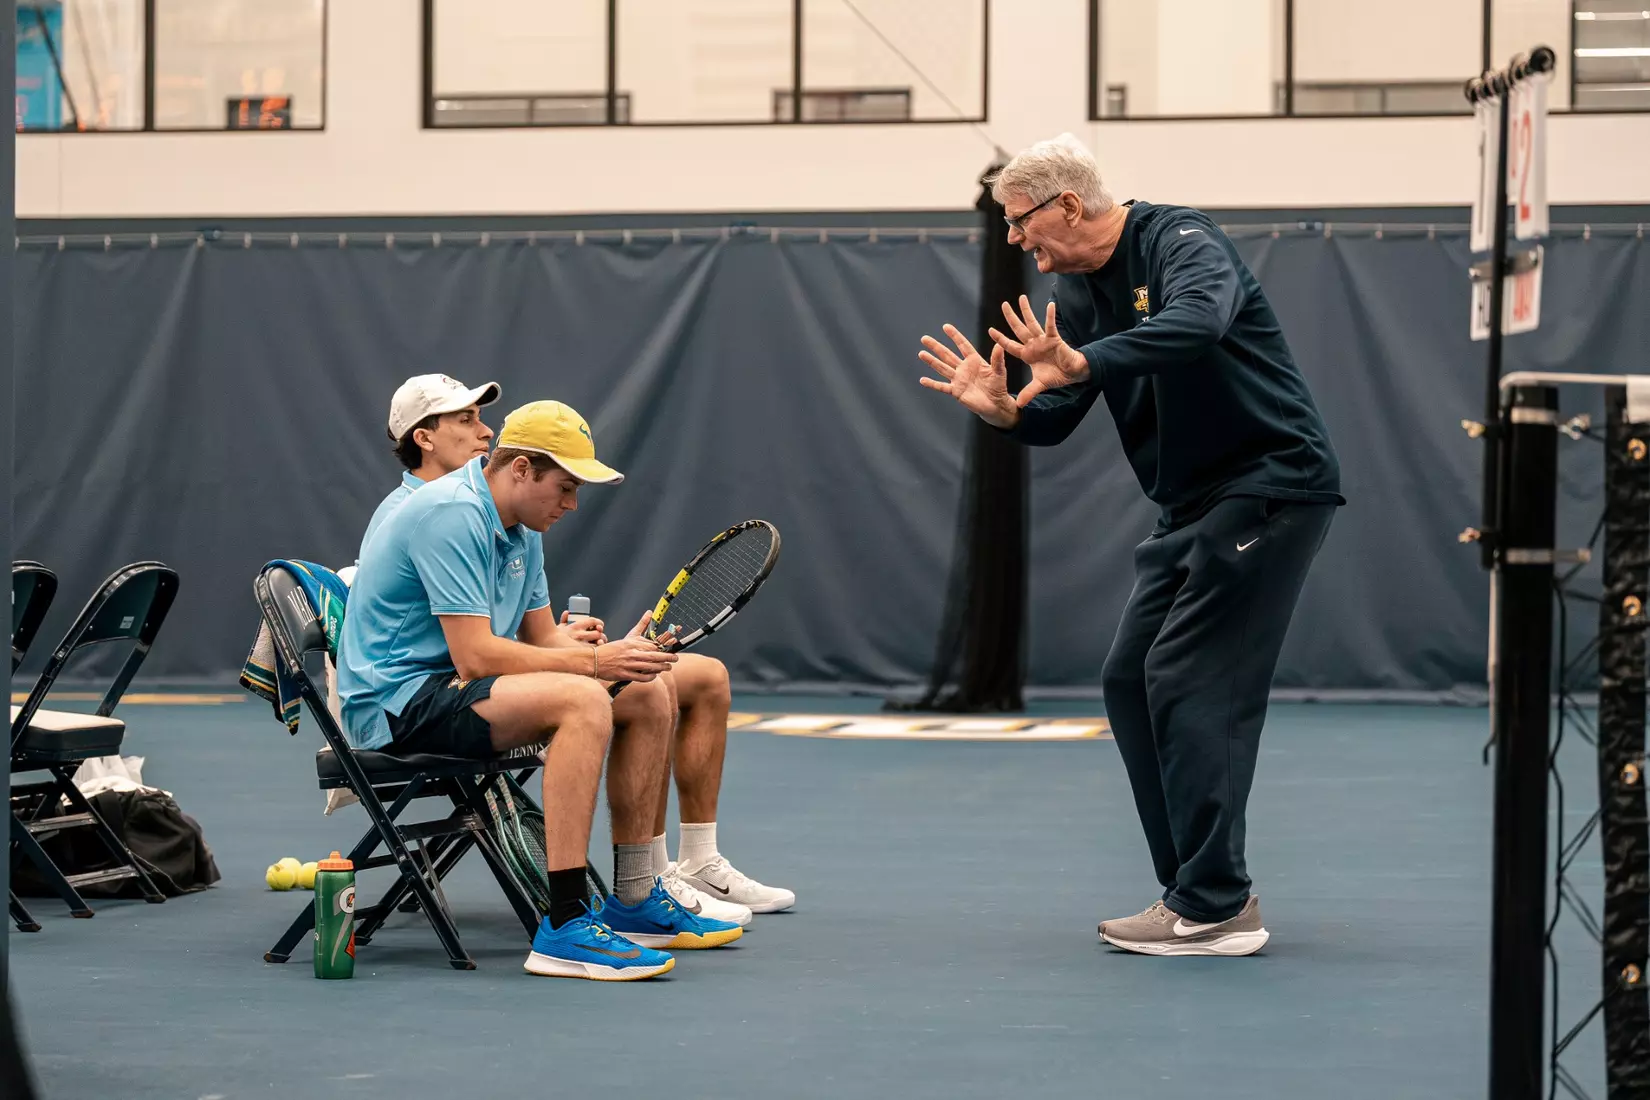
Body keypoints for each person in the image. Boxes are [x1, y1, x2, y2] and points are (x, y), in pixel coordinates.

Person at [917, 134, 1343, 957]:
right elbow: (1058, 410)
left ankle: (1216, 902)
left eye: (1020, 222)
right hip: (1186, 506)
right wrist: (1005, 411)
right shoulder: (1075, 294)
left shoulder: (1180, 239)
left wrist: (1084, 362)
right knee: (1130, 679)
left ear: (1069, 205)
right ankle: (1193, 893)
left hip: (1270, 485)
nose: (1015, 239)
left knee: (1187, 677)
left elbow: (1198, 323)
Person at [337, 399, 744, 981]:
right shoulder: (451, 514)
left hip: (456, 687)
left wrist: (619, 657)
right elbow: (477, 657)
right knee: (583, 701)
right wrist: (595, 664)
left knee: (647, 690)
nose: (572, 504)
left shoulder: (523, 528)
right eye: (565, 487)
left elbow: (544, 637)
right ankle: (565, 923)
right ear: (522, 469)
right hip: (396, 703)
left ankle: (634, 899)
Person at [360, 373, 501, 560]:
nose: (487, 432)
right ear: (424, 439)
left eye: (478, 417)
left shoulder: (479, 503)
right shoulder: (402, 515)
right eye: (466, 420)